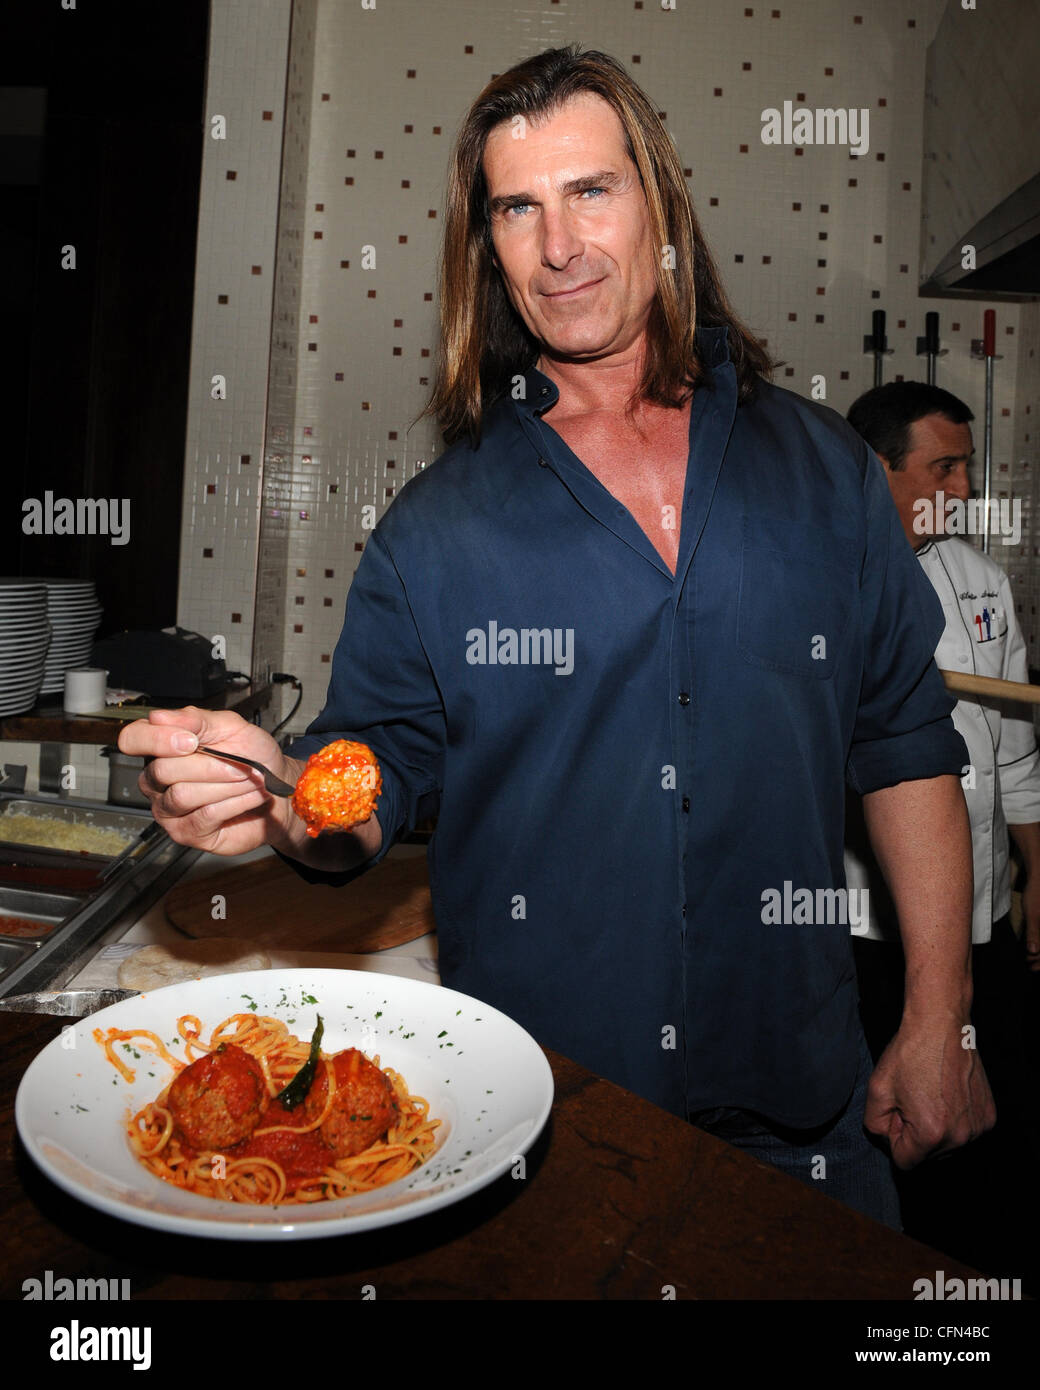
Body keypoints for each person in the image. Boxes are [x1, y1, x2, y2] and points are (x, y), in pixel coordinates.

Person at [120, 45, 994, 1227]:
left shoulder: (823, 471)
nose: (559, 245)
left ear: (658, 204)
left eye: (591, 191)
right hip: (526, 1129)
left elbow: (902, 743)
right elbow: (370, 772)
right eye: (517, 209)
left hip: (804, 1123)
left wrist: (938, 1017)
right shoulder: (438, 529)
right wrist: (282, 793)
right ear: (487, 245)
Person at [844, 381, 1039, 1273]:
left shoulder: (984, 583)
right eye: (944, 468)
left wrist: (1039, 879)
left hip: (983, 926)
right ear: (875, 469)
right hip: (864, 933)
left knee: (982, 1146)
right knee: (880, 1147)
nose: (963, 490)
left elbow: (1015, 756)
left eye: (964, 467)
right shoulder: (824, 581)